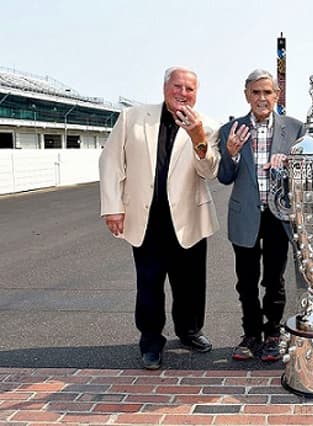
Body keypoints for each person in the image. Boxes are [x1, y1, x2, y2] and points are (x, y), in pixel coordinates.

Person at [99, 66, 221, 370]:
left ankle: (190, 331)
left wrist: (197, 137)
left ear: (197, 93)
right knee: (149, 285)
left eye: (189, 89)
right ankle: (151, 342)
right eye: (177, 86)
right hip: (147, 219)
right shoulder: (133, 118)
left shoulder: (209, 125)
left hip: (189, 218)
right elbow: (111, 161)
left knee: (190, 285)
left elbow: (210, 171)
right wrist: (113, 206)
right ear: (165, 87)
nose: (183, 93)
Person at [218, 69, 305, 362]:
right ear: (246, 95)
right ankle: (251, 334)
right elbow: (225, 178)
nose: (262, 98)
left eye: (268, 92)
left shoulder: (295, 129)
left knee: (274, 279)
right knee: (246, 280)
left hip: (279, 215)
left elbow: (305, 177)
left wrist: (289, 163)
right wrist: (230, 153)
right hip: (245, 216)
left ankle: (272, 333)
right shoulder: (230, 130)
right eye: (256, 92)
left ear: (277, 95)